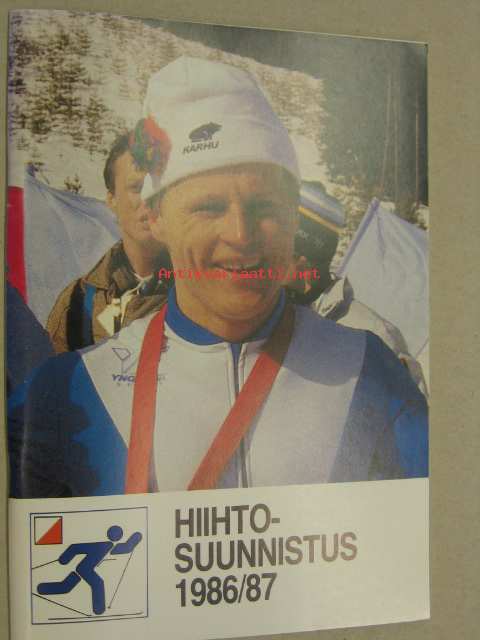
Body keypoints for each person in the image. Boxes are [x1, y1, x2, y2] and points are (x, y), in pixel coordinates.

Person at [8, 56, 428, 498]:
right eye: (208, 208)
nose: (240, 234)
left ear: (293, 217)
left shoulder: (367, 369)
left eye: (265, 207)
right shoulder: (71, 391)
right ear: (156, 219)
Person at [289, 180, 428, 396]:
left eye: (274, 248)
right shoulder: (259, 316)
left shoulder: (373, 334)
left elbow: (412, 411)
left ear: (304, 258)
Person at [46, 131, 171, 353]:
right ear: (112, 200)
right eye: (137, 188)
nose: (150, 199)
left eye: (159, 186)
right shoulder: (77, 303)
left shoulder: (206, 288)